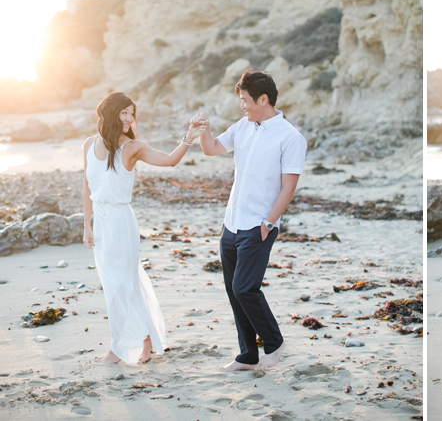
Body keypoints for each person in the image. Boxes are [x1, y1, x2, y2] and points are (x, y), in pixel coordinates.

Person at [194, 69, 307, 372]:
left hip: (260, 225)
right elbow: (211, 149)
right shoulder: (242, 127)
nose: (242, 105)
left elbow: (288, 187)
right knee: (234, 290)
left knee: (246, 288)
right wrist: (204, 129)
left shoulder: (290, 137)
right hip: (231, 223)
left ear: (263, 99)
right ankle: (247, 354)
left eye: (245, 99)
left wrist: (269, 223)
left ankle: (274, 342)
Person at [83, 91, 204, 364]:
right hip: (100, 224)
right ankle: (145, 343)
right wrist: (86, 226)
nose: (128, 119)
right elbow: (87, 185)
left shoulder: (132, 148)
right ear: (110, 113)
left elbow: (169, 160)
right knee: (113, 285)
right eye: (124, 113)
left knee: (125, 284)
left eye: (131, 113)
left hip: (121, 223)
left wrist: (189, 138)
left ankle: (119, 349)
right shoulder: (89, 144)